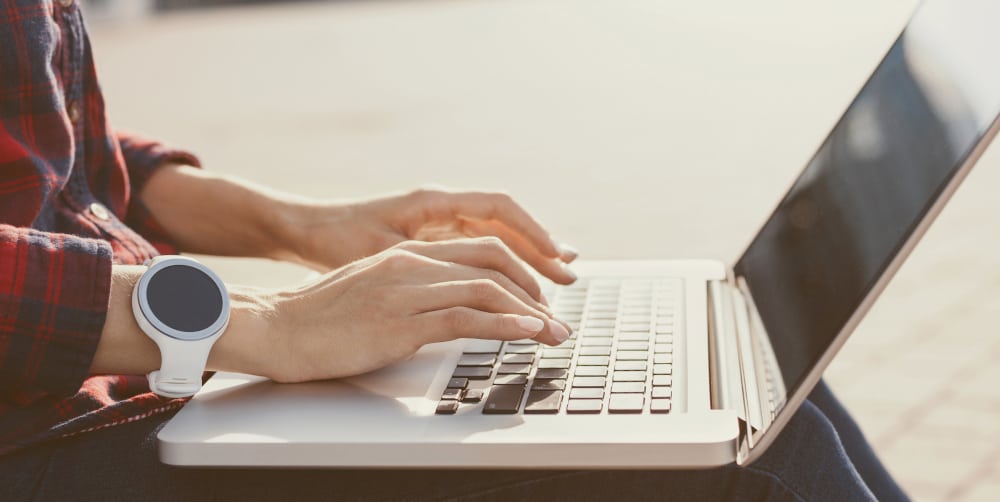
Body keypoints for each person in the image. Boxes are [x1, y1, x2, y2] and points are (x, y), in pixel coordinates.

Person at [0, 1, 910, 500]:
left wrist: (301, 227)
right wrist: (267, 324)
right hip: (34, 445)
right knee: (750, 468)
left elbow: (61, 157)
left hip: (100, 385)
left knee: (744, 381)